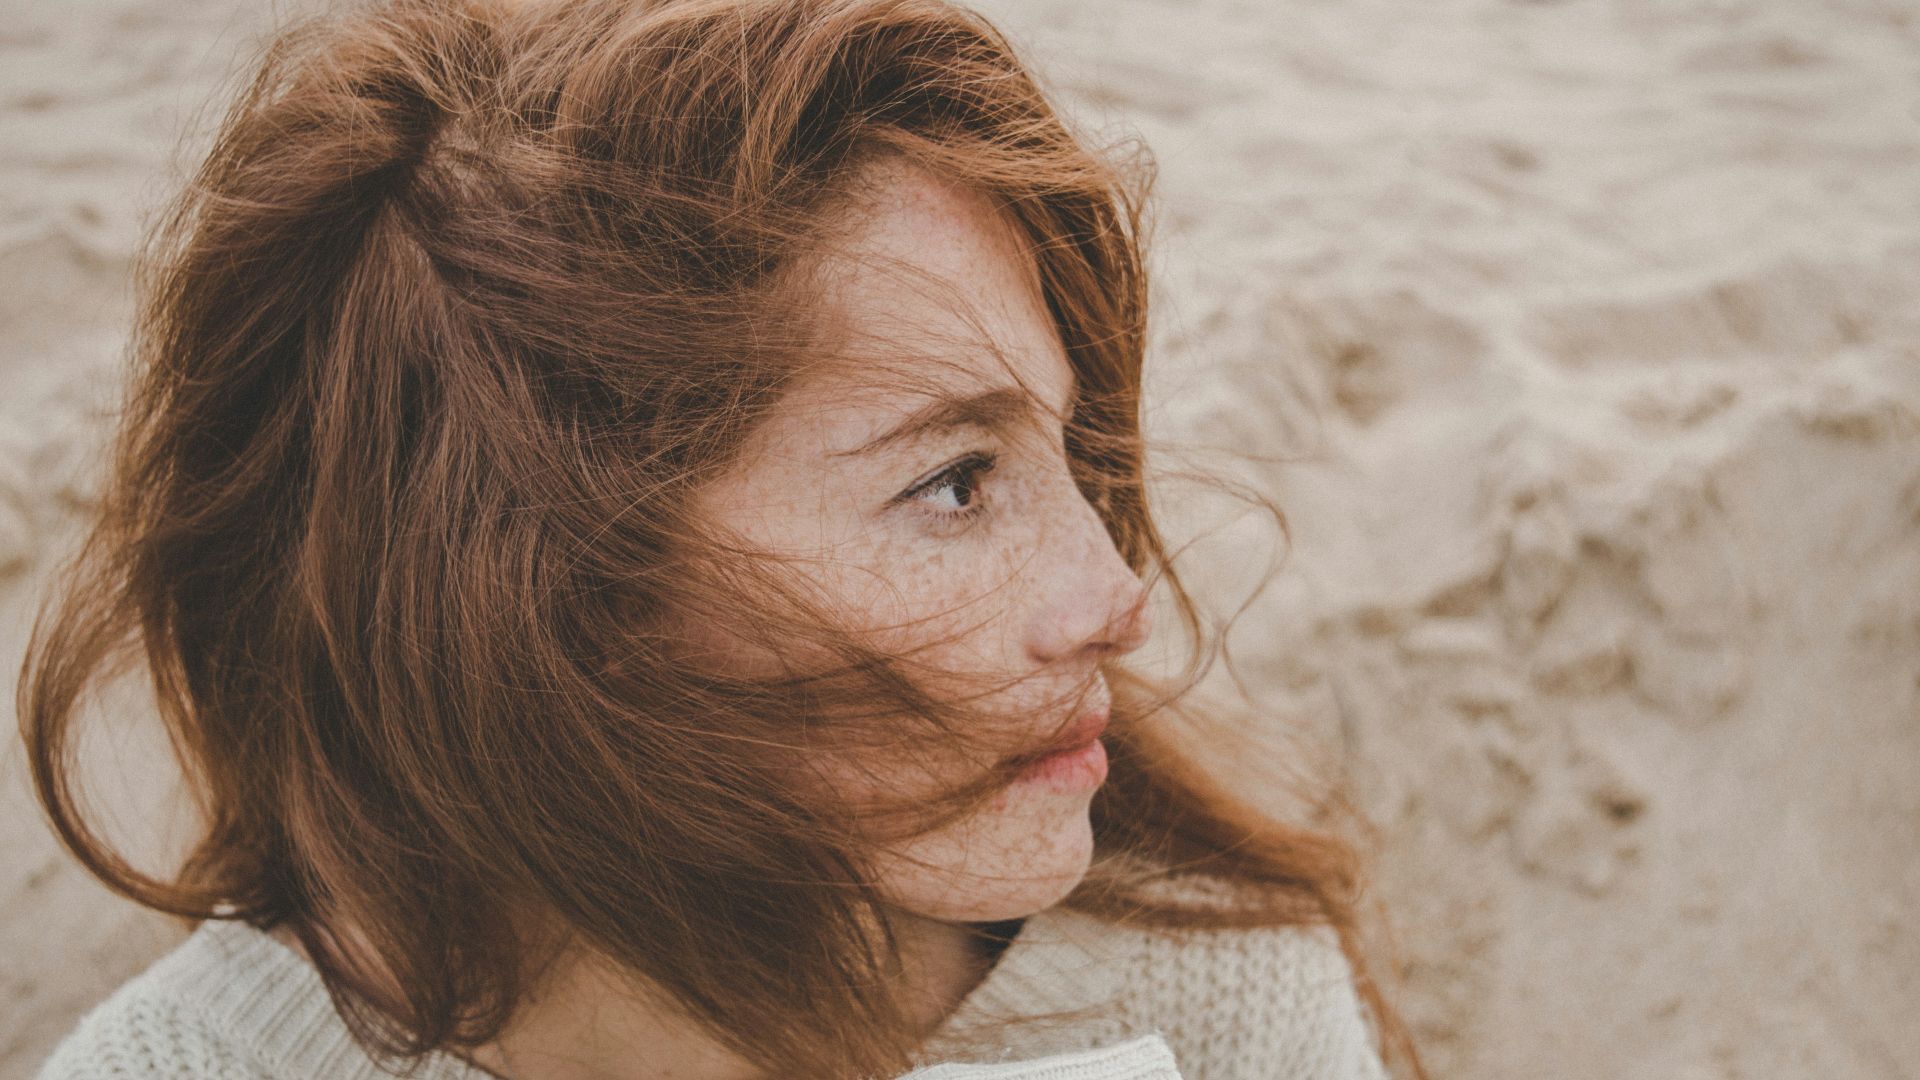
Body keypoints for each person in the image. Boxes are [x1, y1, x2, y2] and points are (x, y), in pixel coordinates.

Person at [17, 0, 1426, 1077]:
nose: (1115, 594)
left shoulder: (1208, 998)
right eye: (955, 482)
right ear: (544, 599)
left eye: (1073, 450)